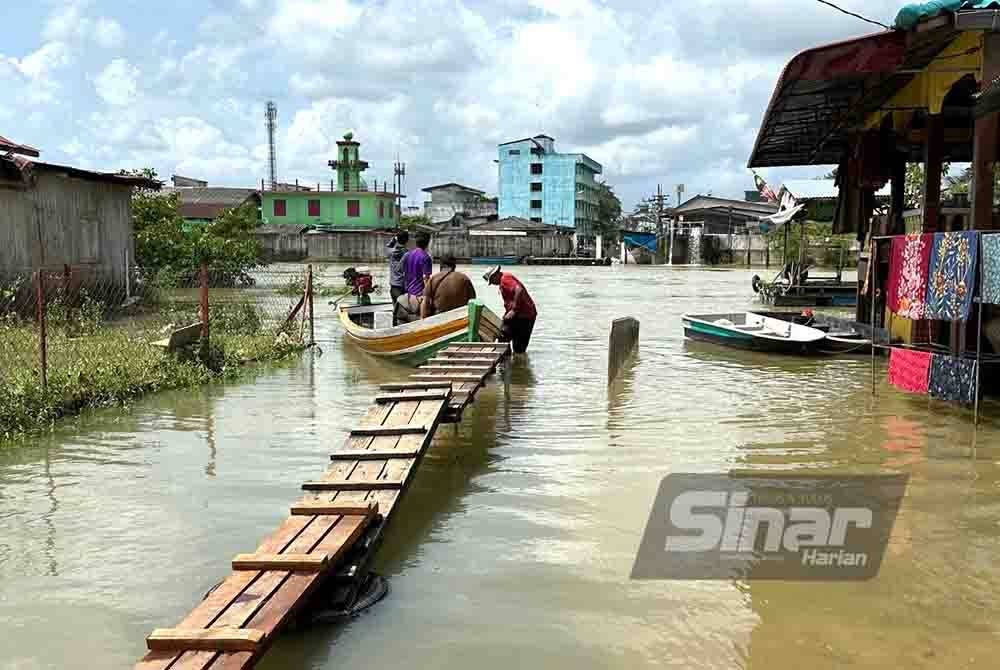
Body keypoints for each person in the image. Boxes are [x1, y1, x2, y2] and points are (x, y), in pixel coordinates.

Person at [483, 265, 536, 353]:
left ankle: (512, 362)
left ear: (495, 275)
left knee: (518, 347)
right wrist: (508, 312)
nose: (493, 284)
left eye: (492, 281)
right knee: (503, 338)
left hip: (525, 316)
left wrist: (513, 310)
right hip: (519, 315)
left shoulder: (505, 278)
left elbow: (519, 290)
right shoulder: (504, 280)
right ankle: (508, 362)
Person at [396, 232, 432, 324]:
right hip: (419, 295)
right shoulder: (426, 257)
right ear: (428, 243)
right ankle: (422, 321)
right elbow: (426, 279)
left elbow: (400, 271)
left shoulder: (408, 254)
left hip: (408, 294)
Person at [385, 230, 408, 324]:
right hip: (404, 287)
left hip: (394, 287)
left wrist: (394, 240)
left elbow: (388, 246)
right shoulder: (407, 254)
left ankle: (394, 327)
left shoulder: (390, 252)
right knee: (404, 312)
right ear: (407, 240)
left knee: (395, 310)